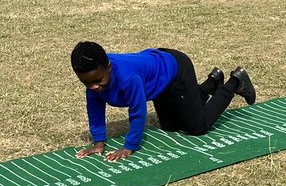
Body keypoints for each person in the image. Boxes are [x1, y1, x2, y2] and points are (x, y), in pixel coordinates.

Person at [70, 41, 256, 162]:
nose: (93, 87)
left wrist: (129, 146)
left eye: (98, 80)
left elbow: (137, 111)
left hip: (175, 69)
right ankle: (212, 82)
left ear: (108, 68)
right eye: (87, 82)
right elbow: (94, 109)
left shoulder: (128, 78)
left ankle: (235, 81)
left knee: (197, 126)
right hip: (158, 82)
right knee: (171, 126)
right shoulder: (93, 77)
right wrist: (98, 143)